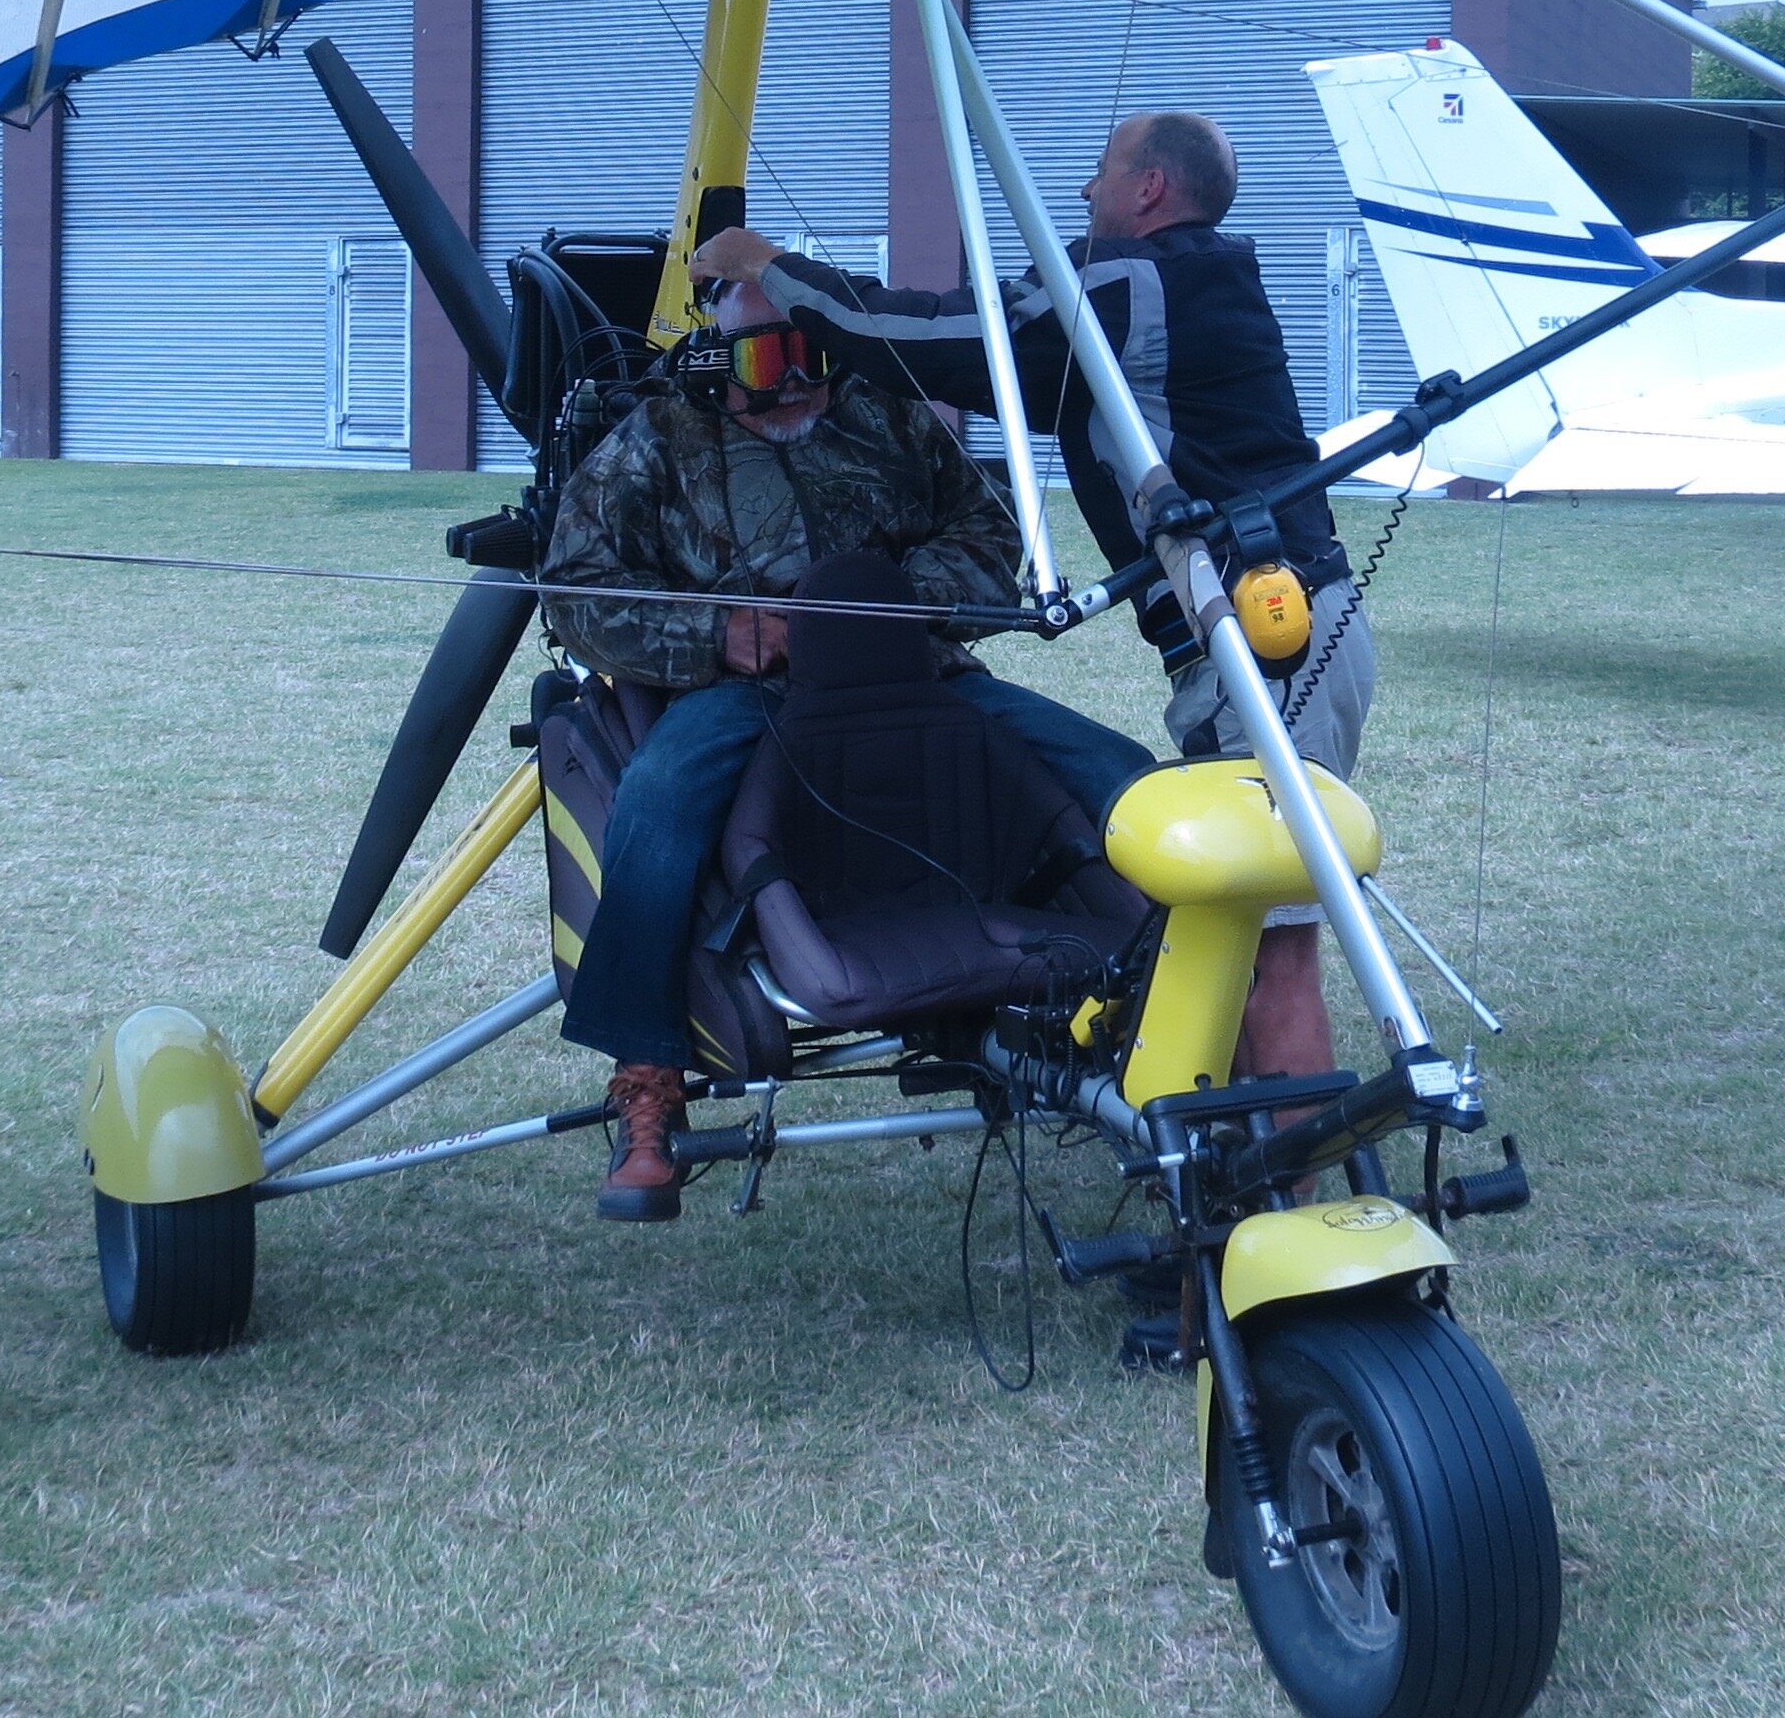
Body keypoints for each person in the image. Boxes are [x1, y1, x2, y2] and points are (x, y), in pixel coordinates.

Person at [691, 108, 1368, 1087]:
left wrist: (769, 265)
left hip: (1266, 639)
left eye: (1101, 172)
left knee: (1269, 941)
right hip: (1284, 628)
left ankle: (1283, 1181)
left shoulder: (1134, 284)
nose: (1085, 193)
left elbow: (926, 337)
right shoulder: (1195, 283)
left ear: (1148, 191)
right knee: (1248, 924)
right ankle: (1238, 1146)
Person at [542, 286, 1160, 1221]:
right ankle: (648, 1075)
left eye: (812, 351)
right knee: (658, 799)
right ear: (719, 362)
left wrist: (896, 602)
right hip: (743, 690)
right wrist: (719, 636)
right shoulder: (657, 441)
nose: (792, 379)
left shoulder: (895, 418)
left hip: (912, 672)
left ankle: (1169, 1015)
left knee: (1122, 775)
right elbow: (576, 589)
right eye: (762, 360)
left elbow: (993, 537)